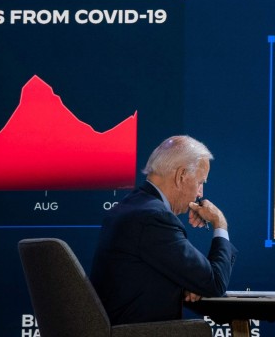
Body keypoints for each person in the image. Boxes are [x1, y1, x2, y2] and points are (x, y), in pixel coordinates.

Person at [91, 136, 237, 324]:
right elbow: (215, 282)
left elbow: (138, 276)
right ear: (181, 176)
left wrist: (186, 283)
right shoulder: (154, 218)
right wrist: (220, 223)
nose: (200, 193)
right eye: (200, 182)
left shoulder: (131, 207)